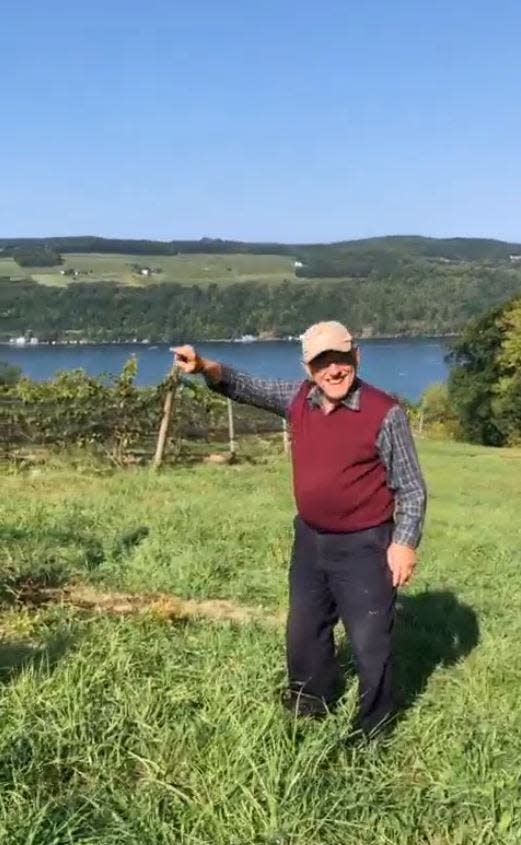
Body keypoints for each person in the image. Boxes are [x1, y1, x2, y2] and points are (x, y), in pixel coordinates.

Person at [174, 320, 427, 738]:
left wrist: (403, 543)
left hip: (365, 544)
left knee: (369, 641)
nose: (333, 371)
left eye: (340, 360)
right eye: (321, 363)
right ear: (308, 368)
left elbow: (412, 487)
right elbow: (243, 384)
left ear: (356, 357)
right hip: (310, 539)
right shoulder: (298, 399)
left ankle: (374, 728)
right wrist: (204, 366)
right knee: (305, 629)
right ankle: (311, 701)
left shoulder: (385, 413)